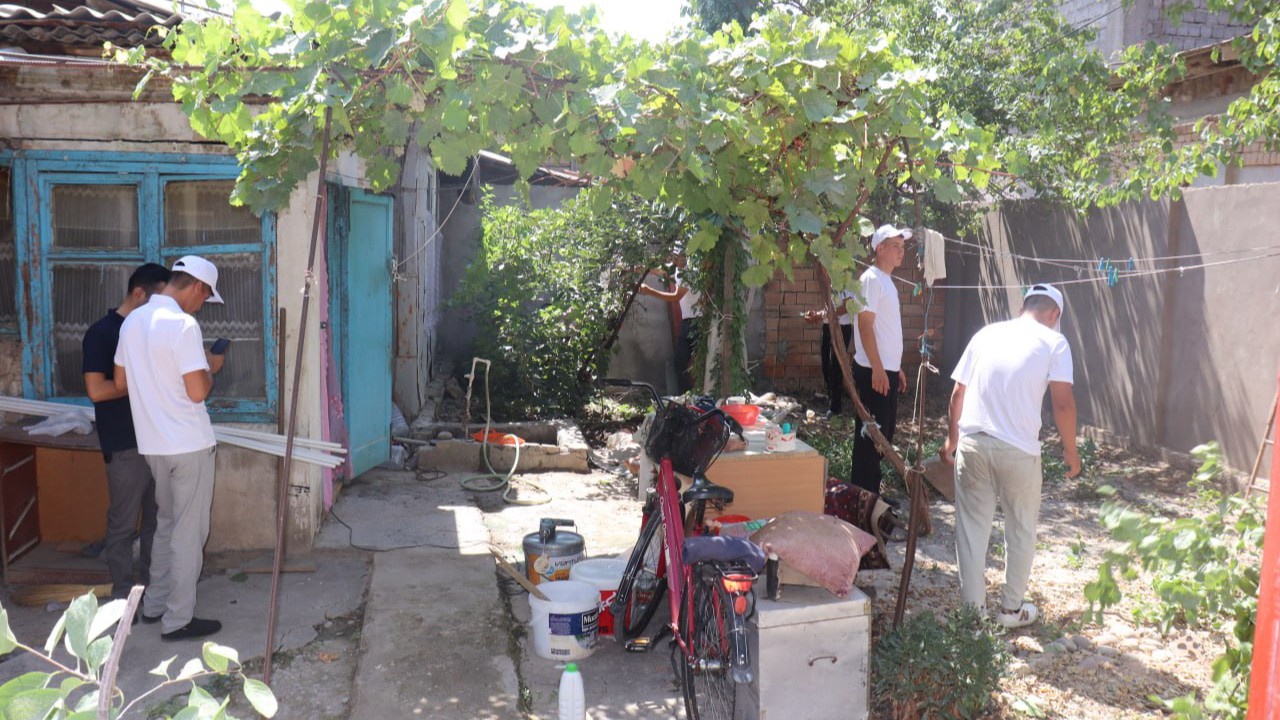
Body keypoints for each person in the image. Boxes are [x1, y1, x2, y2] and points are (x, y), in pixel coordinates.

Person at [941, 283, 1081, 629]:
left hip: (973, 444)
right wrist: (1070, 450)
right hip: (1019, 452)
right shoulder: (1055, 342)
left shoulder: (986, 334)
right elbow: (1063, 403)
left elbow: (958, 393)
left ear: (1023, 308)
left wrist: (952, 440)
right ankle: (1010, 611)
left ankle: (972, 618)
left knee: (971, 532)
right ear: (1055, 314)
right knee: (1020, 529)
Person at [114, 255, 226, 641]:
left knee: (165, 524)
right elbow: (197, 392)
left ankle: (154, 605)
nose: (202, 305)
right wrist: (210, 370)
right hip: (189, 443)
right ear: (197, 287)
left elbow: (121, 381)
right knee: (188, 533)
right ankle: (178, 619)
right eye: (205, 297)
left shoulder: (133, 321)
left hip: (153, 444)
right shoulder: (183, 325)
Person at [82, 263, 170, 601]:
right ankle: (122, 598)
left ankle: (151, 591)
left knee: (155, 524)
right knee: (122, 525)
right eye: (158, 299)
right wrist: (141, 379)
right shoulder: (102, 333)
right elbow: (97, 391)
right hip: (124, 446)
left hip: (157, 442)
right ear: (139, 294)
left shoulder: (153, 330)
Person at [849, 224, 910, 495]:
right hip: (872, 371)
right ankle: (862, 501)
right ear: (880, 248)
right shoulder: (871, 279)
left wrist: (895, 368)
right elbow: (865, 326)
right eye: (895, 246)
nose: (901, 252)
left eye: (903, 247)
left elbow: (886, 330)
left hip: (886, 370)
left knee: (882, 438)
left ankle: (873, 498)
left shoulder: (887, 281)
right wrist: (877, 367)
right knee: (870, 439)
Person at [637, 257, 702, 394]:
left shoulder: (690, 273)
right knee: (679, 363)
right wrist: (642, 269)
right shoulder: (679, 270)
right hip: (687, 322)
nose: (675, 259)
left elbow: (675, 297)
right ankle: (687, 397)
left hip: (697, 322)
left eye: (678, 256)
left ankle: (700, 395)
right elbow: (663, 271)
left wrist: (649, 291)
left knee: (699, 363)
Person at [803, 288, 855, 416]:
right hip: (827, 325)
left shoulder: (848, 283)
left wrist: (820, 315)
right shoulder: (830, 284)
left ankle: (835, 408)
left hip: (841, 327)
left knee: (836, 367)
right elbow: (830, 308)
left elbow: (846, 307)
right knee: (826, 365)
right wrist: (818, 314)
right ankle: (832, 401)